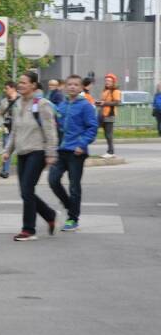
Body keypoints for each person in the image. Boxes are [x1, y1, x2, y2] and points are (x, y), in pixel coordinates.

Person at [2, 71, 58, 241]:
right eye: (19, 82)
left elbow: (50, 131)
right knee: (25, 192)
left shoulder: (42, 104)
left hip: (37, 151)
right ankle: (49, 214)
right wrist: (7, 150)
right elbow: (15, 130)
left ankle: (28, 229)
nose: (20, 85)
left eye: (24, 82)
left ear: (33, 85)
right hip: (22, 152)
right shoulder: (18, 103)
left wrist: (50, 153)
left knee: (27, 190)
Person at [48, 74, 97, 232]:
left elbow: (92, 128)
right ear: (65, 86)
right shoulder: (62, 105)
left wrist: (82, 144)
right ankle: (70, 206)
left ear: (81, 87)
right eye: (69, 84)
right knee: (53, 179)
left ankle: (73, 218)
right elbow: (56, 126)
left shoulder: (86, 106)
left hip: (77, 152)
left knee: (74, 186)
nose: (72, 87)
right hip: (61, 150)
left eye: (76, 84)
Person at [0, 81, 18, 178]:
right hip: (7, 128)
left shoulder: (20, 100)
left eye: (7, 88)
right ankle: (5, 170)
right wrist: (2, 126)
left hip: (19, 129)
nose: (5, 90)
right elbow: (0, 115)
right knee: (6, 149)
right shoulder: (3, 102)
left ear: (13, 88)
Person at [98, 73, 121, 158]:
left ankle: (111, 152)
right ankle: (109, 151)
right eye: (106, 80)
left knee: (108, 134)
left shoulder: (116, 91)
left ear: (113, 82)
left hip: (110, 115)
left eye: (109, 81)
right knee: (106, 134)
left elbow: (117, 102)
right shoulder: (105, 90)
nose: (107, 82)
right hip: (103, 114)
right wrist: (100, 103)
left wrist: (105, 103)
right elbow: (104, 101)